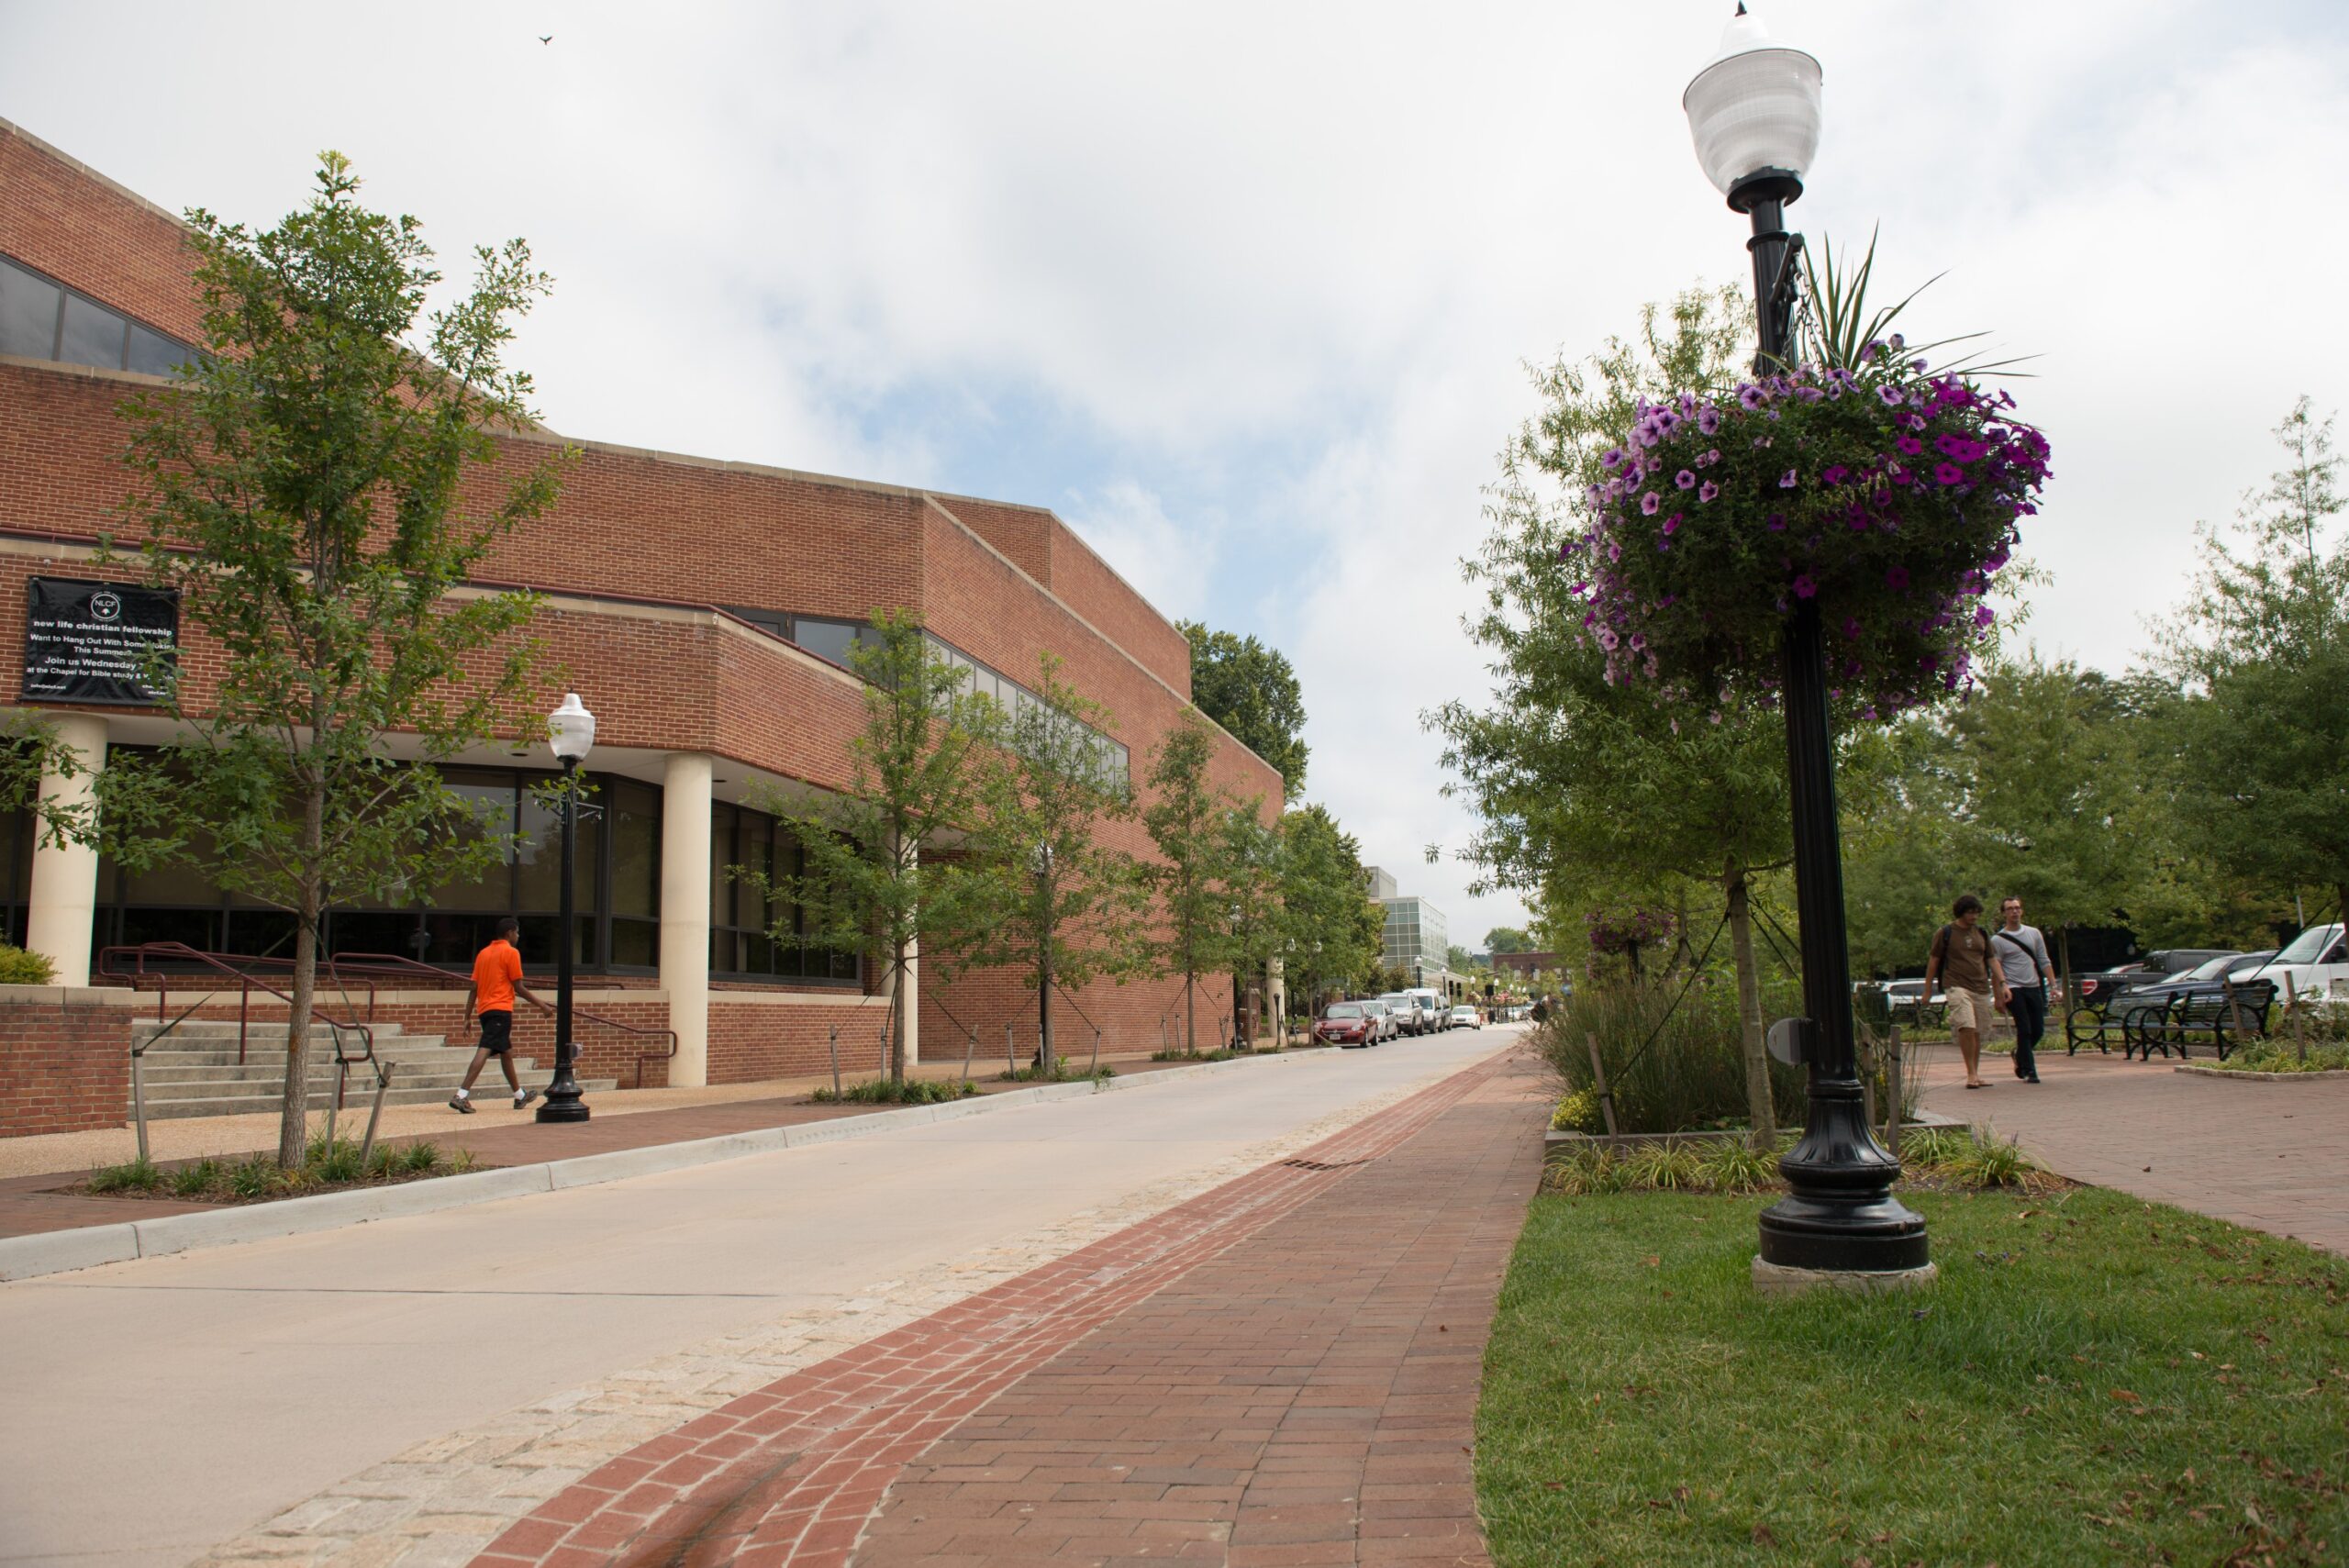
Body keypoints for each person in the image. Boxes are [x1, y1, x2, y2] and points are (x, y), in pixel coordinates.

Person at [450, 917, 551, 1113]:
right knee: (485, 1047)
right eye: (517, 932)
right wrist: (543, 1006)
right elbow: (519, 987)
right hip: (501, 1009)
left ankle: (519, 1096)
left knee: (506, 1052)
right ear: (509, 933)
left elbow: (474, 988)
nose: (518, 936)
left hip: (485, 1010)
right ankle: (461, 1095)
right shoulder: (511, 952)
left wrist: (467, 1016)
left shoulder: (483, 954)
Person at [1923, 894, 2009, 1090]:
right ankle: (1970, 1073)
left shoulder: (1982, 933)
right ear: (1961, 912)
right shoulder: (1946, 932)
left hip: (1980, 986)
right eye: (1970, 913)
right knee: (1966, 1026)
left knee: (1978, 1031)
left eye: (1977, 913)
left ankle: (1976, 1073)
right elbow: (1934, 960)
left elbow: (1991, 959)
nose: (1974, 917)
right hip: (1956, 984)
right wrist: (1927, 989)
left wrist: (2003, 983)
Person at [1991, 895, 2055, 1084]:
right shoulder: (1998, 940)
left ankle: (2020, 1054)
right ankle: (2029, 1070)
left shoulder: (2034, 933)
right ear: (2004, 913)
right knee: (2024, 1028)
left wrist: (2053, 984)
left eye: (2017, 908)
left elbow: (2044, 959)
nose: (2014, 912)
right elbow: (1995, 970)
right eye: (2010, 909)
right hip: (2013, 987)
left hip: (2033, 985)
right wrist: (1998, 996)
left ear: (2022, 910)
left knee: (2038, 1029)